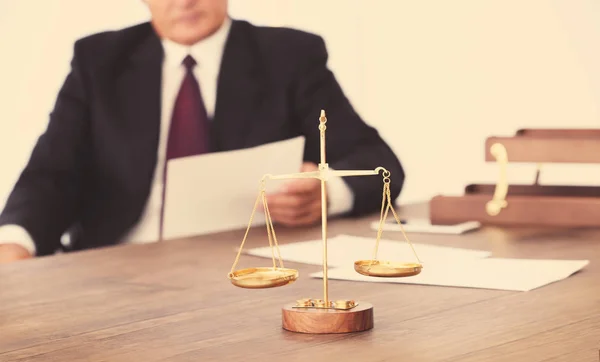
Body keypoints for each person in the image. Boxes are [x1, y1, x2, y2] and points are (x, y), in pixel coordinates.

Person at [0, 0, 404, 263]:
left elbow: (378, 163)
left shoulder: (289, 56)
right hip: (116, 267)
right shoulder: (98, 61)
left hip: (248, 268)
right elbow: (51, 175)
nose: (184, 1)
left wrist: (326, 192)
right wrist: (15, 242)